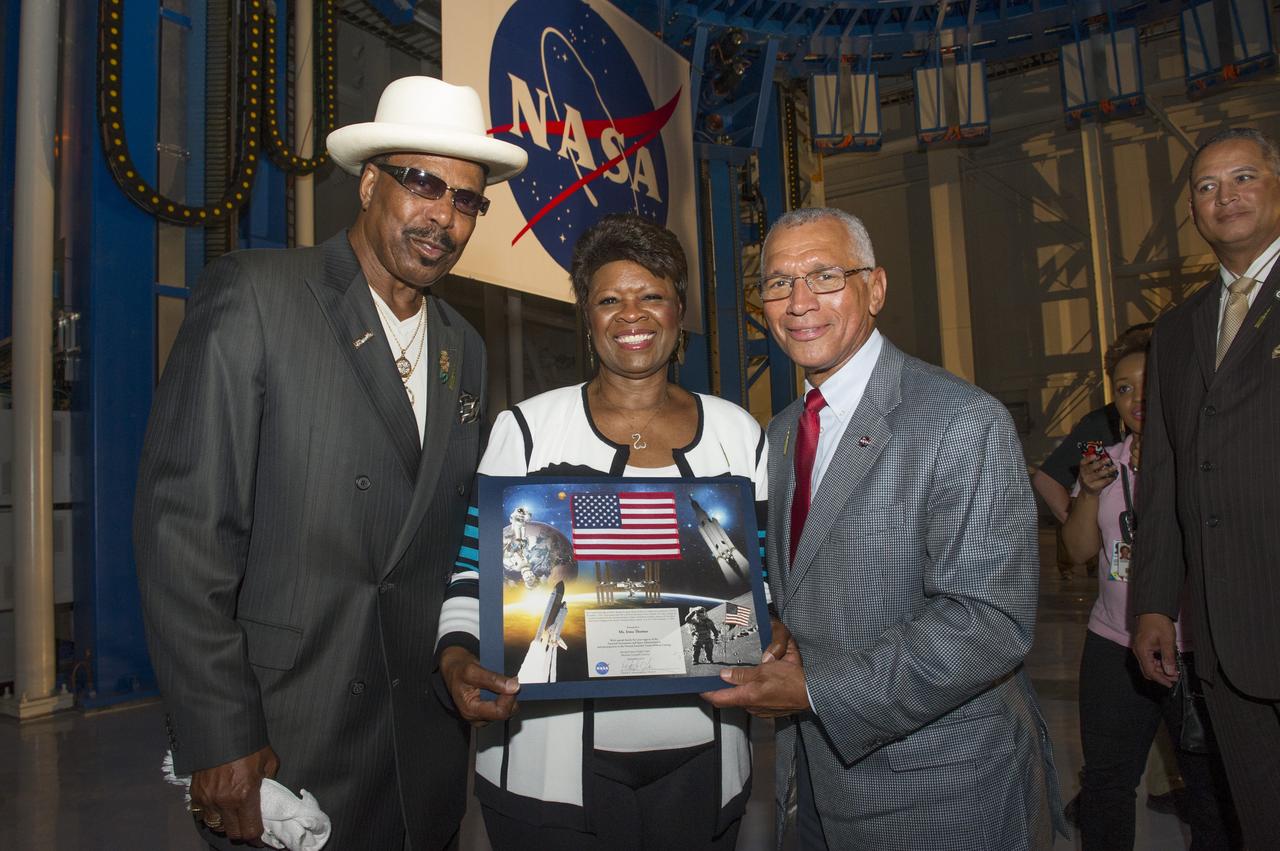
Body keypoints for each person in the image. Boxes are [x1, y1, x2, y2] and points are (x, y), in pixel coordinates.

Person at [133, 76, 526, 849]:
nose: (443, 218)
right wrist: (218, 733)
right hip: (289, 735)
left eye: (466, 200)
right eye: (422, 184)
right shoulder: (257, 297)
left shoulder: (465, 349)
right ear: (371, 182)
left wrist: (464, 648)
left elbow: (451, 541)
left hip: (424, 743)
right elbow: (183, 531)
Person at [703, 207, 1064, 848]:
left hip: (939, 785)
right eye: (779, 283)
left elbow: (989, 625)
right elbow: (806, 584)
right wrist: (776, 632)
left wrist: (816, 689)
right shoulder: (784, 431)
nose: (799, 301)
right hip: (812, 774)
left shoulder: (959, 419)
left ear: (875, 288)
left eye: (824, 275)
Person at [435, 213, 787, 850]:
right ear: (586, 316)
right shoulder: (528, 430)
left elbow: (763, 578)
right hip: (548, 767)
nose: (633, 315)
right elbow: (472, 571)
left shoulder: (739, 434)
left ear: (680, 311)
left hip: (703, 760)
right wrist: (456, 656)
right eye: (609, 299)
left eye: (652, 294)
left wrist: (774, 629)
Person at [1131, 126, 1280, 845]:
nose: (1226, 197)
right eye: (1207, 186)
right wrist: (1154, 603)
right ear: (1192, 209)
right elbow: (1161, 476)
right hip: (1224, 636)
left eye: (1244, 178)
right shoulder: (1178, 328)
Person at [1062, 325, 1236, 849]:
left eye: (1149, 384)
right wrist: (1089, 495)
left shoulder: (1208, 459)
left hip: (1192, 649)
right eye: (1123, 387)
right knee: (1107, 784)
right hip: (1114, 642)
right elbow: (1076, 551)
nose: (1137, 399)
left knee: (1209, 790)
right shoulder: (1105, 462)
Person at [1032, 402, 1122, 578]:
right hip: (1120, 584)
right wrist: (1088, 531)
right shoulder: (1103, 424)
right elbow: (1046, 480)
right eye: (1123, 388)